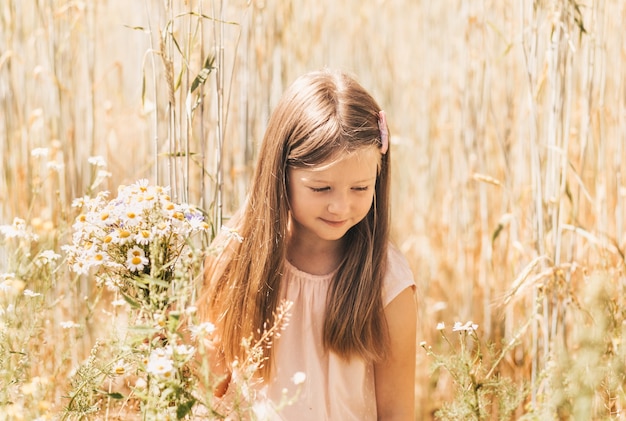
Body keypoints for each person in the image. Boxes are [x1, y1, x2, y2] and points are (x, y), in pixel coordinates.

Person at [197, 68, 417, 420]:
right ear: (280, 172)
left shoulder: (387, 283)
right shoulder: (234, 257)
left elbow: (397, 411)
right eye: (321, 188)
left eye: (360, 188)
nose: (340, 206)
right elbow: (212, 389)